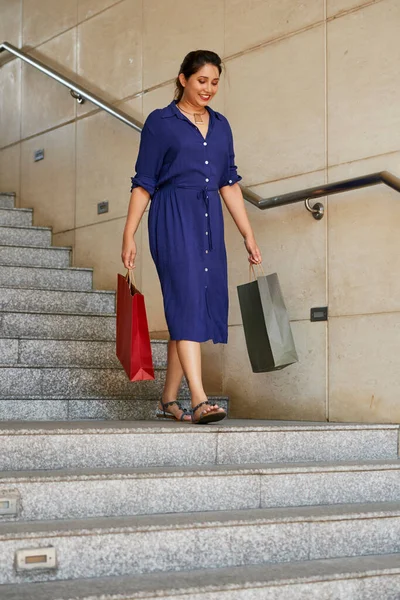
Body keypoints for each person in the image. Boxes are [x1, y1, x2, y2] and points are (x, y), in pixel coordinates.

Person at [121, 50, 262, 425]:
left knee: (195, 303)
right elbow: (144, 182)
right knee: (185, 300)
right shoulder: (160, 123)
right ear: (183, 78)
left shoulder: (221, 125)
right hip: (172, 218)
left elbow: (228, 182)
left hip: (208, 221)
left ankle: (169, 399)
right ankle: (199, 399)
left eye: (215, 82)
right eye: (202, 80)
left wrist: (248, 234)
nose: (209, 89)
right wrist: (129, 233)